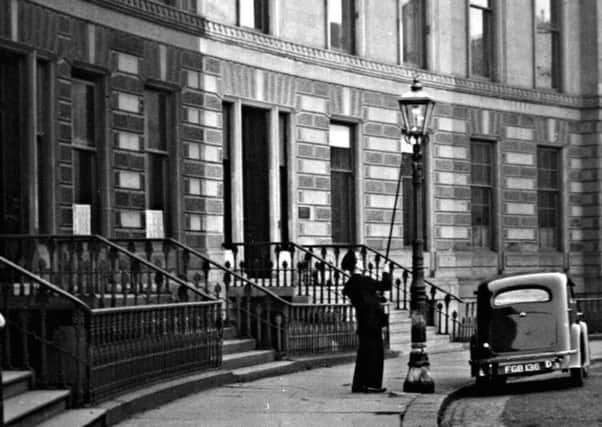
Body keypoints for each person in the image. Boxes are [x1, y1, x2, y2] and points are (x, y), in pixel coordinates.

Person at [341, 251, 392, 393]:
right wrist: (386, 271)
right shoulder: (363, 281)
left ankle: (360, 384)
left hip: (364, 322)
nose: (362, 261)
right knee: (374, 353)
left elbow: (367, 297)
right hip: (371, 322)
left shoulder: (353, 282)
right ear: (356, 264)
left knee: (364, 353)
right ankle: (371, 384)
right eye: (359, 259)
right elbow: (385, 285)